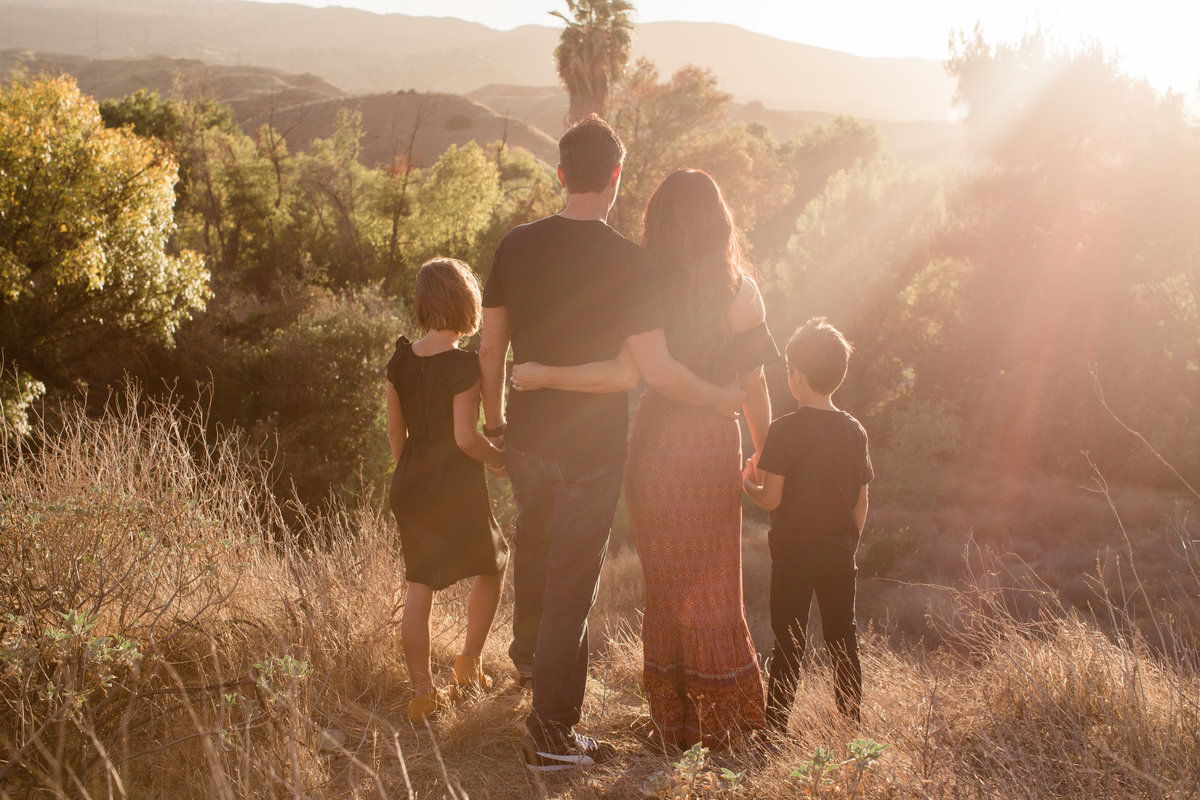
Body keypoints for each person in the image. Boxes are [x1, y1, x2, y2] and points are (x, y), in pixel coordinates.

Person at [479, 118, 744, 771]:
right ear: (616, 178)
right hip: (590, 454)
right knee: (572, 584)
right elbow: (642, 373)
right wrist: (716, 398)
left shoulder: (516, 244)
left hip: (527, 441)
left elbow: (489, 346)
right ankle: (551, 736)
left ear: (562, 174)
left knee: (537, 559)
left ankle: (529, 674)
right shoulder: (631, 262)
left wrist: (495, 423)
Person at [385, 257, 509, 725]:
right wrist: (501, 459)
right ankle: (468, 667)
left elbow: (397, 436)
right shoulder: (463, 366)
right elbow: (464, 438)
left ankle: (423, 693)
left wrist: (409, 478)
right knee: (493, 563)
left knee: (420, 587)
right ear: (466, 304)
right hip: (455, 485)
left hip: (411, 482)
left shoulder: (399, 359)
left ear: (423, 303)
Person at [742, 316, 873, 727]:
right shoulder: (854, 430)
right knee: (842, 639)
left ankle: (776, 726)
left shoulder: (784, 430)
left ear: (795, 376)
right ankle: (851, 724)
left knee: (789, 642)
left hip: (794, 553)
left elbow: (772, 498)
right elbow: (862, 502)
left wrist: (747, 483)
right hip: (837, 551)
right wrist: (847, 544)